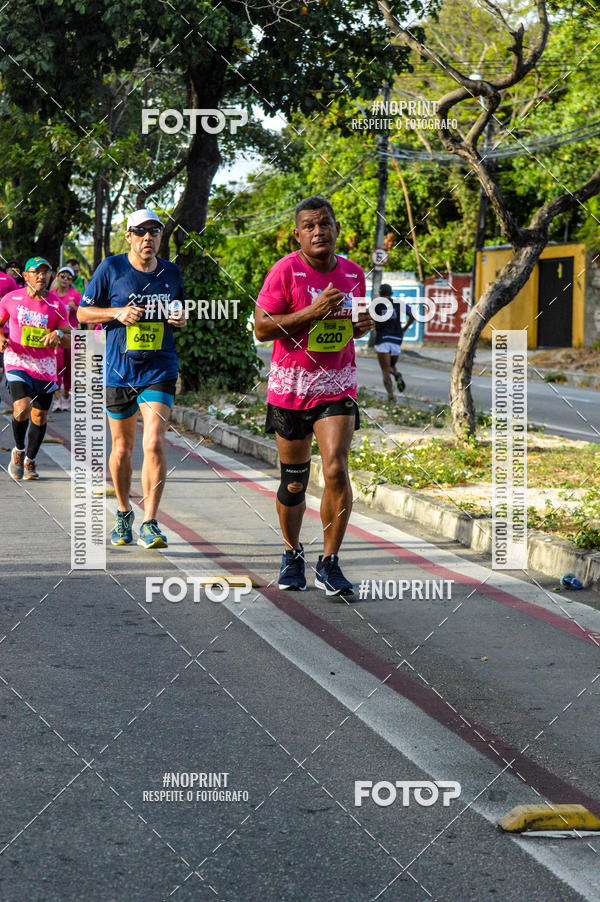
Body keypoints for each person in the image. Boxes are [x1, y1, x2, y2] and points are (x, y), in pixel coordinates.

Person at [254, 195, 372, 597]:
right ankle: (291, 553)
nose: (318, 231)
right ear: (298, 234)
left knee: (336, 468)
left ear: (337, 228)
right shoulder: (285, 271)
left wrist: (362, 325)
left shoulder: (354, 273)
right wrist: (311, 312)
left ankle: (330, 562)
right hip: (291, 387)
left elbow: (353, 325)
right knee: (294, 483)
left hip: (337, 385)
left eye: (325, 223)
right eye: (309, 226)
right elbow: (262, 328)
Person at [77, 208, 187, 549]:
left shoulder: (171, 272)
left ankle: (150, 521)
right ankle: (124, 512)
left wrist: (180, 317)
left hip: (159, 367)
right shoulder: (111, 268)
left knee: (154, 442)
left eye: (154, 232)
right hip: (119, 369)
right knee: (122, 448)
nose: (148, 238)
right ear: (128, 236)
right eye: (140, 232)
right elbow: (82, 313)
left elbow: (179, 308)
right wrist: (116, 313)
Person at [0, 257, 71, 480]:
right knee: (21, 407)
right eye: (36, 272)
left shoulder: (57, 305)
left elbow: (70, 336)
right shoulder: (11, 299)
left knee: (39, 416)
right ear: (26, 275)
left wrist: (58, 334)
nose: (41, 276)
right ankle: (19, 451)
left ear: (50, 275)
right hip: (17, 360)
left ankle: (31, 458)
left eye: (46, 272)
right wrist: (1, 338)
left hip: (46, 365)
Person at [372, 283, 415, 402]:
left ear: (380, 293)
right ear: (391, 293)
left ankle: (391, 397)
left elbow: (370, 319)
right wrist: (405, 328)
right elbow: (412, 315)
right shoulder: (399, 303)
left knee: (385, 371)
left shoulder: (376, 305)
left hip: (383, 340)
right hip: (396, 339)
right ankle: (396, 374)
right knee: (391, 365)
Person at [51, 265, 81, 410]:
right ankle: (56, 400)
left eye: (69, 278)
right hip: (56, 335)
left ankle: (65, 397)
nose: (65, 279)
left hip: (72, 335)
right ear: (57, 277)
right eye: (62, 276)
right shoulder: (50, 294)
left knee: (69, 368)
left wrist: (74, 308)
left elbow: (84, 314)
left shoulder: (75, 295)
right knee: (57, 367)